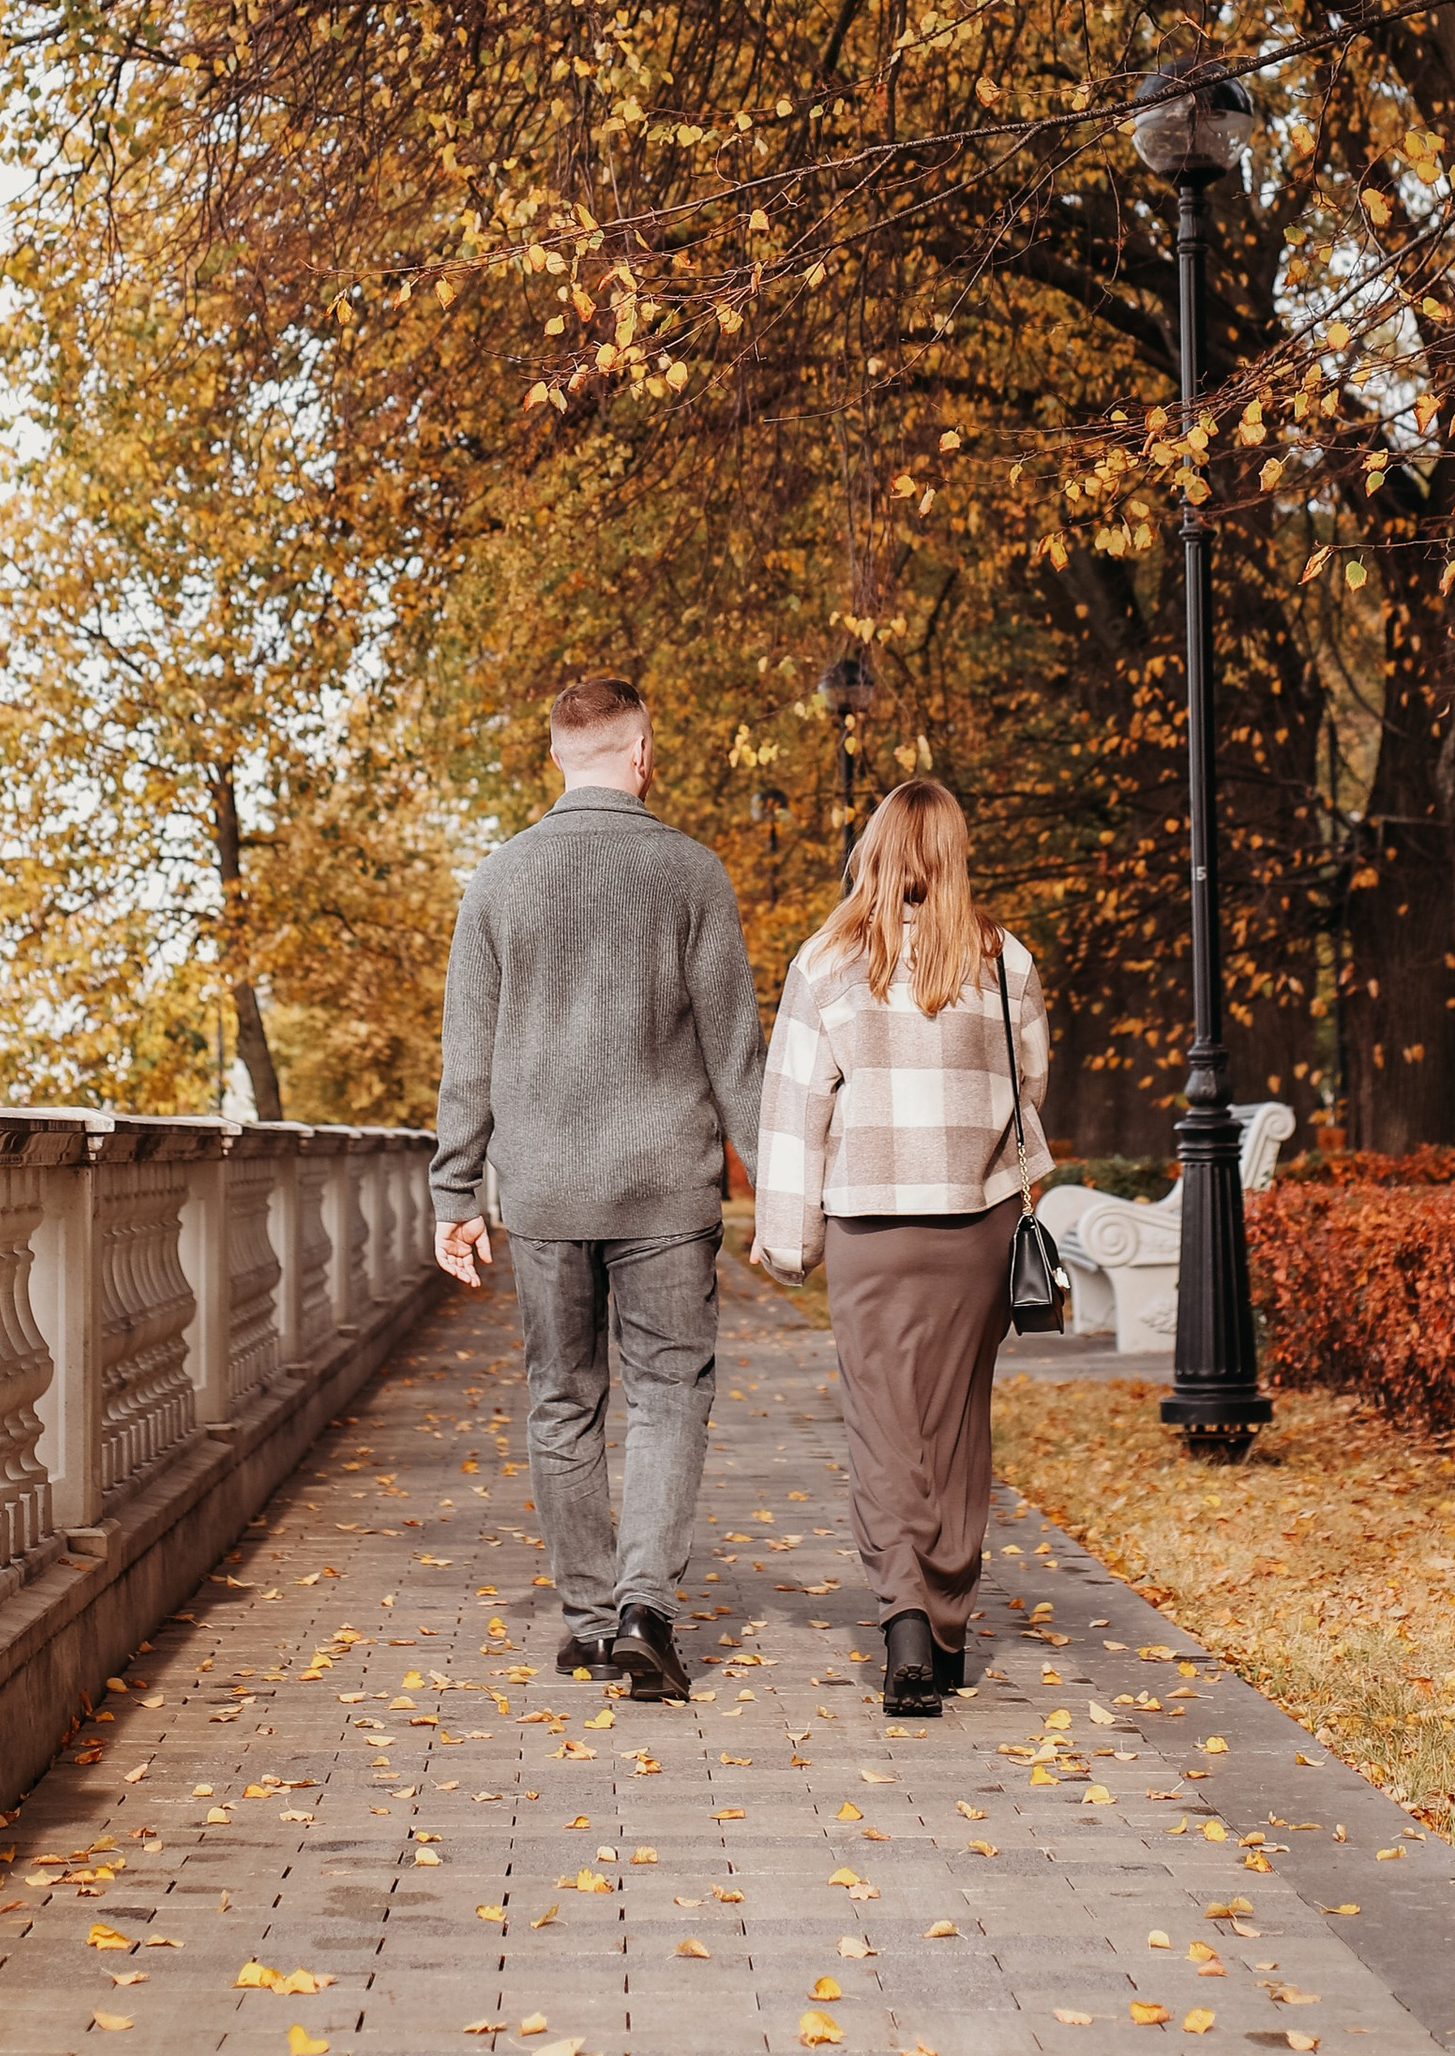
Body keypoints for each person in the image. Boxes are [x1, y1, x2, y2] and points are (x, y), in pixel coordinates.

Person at [430, 672, 764, 1704]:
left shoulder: (498, 880)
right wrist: (783, 1193)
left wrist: (454, 1193)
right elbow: (737, 1056)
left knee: (561, 1399)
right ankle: (642, 1609)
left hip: (543, 1189)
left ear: (556, 759)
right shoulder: (691, 871)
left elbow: (466, 1060)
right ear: (642, 754)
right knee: (668, 1395)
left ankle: (587, 1619)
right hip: (666, 1187)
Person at [751, 776, 1050, 1720]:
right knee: (957, 1421)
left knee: (883, 1425)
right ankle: (949, 1625)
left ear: (873, 849)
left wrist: (789, 1241)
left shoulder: (827, 960)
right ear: (955, 850)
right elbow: (1030, 1083)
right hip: (976, 1225)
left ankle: (906, 1617)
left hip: (871, 1227)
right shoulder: (1005, 958)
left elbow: (795, 1108)